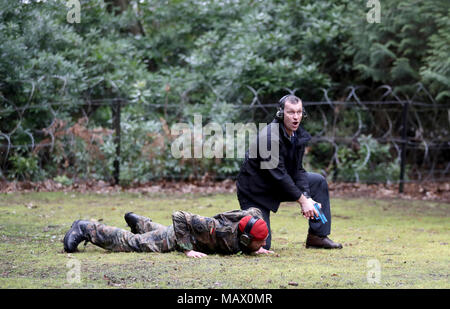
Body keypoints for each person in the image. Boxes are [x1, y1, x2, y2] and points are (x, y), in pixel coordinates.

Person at [236, 94, 342, 250]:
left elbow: (298, 170)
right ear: (280, 113)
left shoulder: (297, 134)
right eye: (291, 112)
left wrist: (306, 196)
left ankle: (317, 237)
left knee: (317, 181)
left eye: (299, 112)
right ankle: (220, 232)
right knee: (260, 245)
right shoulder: (269, 137)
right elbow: (279, 176)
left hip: (277, 185)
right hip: (256, 192)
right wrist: (304, 202)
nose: (296, 117)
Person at [63, 207, 274, 258]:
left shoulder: (248, 225)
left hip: (184, 234)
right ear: (245, 238)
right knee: (133, 244)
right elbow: (180, 216)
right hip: (179, 238)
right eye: (260, 241)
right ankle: (86, 228)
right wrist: (187, 249)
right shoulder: (215, 227)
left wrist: (255, 247)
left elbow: (254, 212)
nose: (263, 244)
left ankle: (141, 223)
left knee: (158, 233)